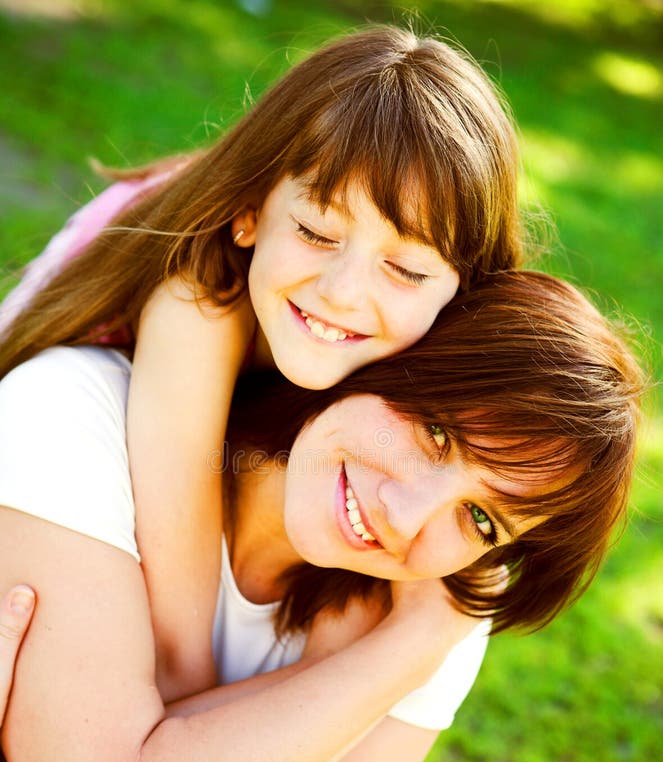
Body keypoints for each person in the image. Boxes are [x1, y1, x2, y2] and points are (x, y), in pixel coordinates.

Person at [0, 271, 643, 762]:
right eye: (435, 433)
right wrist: (406, 653)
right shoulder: (75, 417)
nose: (407, 516)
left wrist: (410, 645)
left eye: (482, 518)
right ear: (381, 357)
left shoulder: (438, 600)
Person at [0, 24, 523, 703]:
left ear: (466, 289)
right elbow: (178, 659)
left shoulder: (425, 377)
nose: (342, 292)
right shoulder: (198, 299)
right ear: (248, 213)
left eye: (404, 268)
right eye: (314, 233)